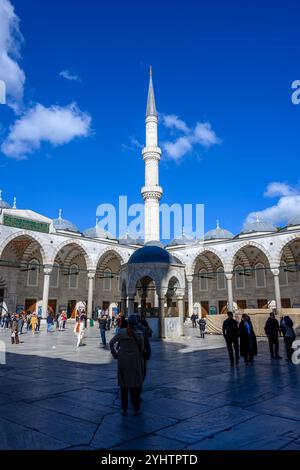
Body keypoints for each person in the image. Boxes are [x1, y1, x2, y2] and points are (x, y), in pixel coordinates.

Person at [110, 315, 145, 416]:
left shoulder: (121, 332)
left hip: (123, 360)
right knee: (134, 386)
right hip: (135, 360)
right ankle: (136, 409)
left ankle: (124, 409)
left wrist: (114, 353)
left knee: (123, 386)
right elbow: (142, 349)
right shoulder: (139, 334)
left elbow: (112, 342)